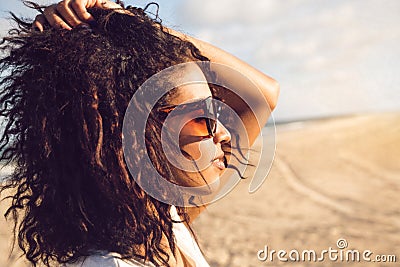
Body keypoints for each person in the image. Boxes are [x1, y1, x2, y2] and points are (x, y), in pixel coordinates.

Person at [0, 1, 279, 266]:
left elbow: (262, 95)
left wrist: (134, 28)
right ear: (135, 136)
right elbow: (261, 96)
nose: (224, 134)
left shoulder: (161, 223)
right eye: (203, 117)